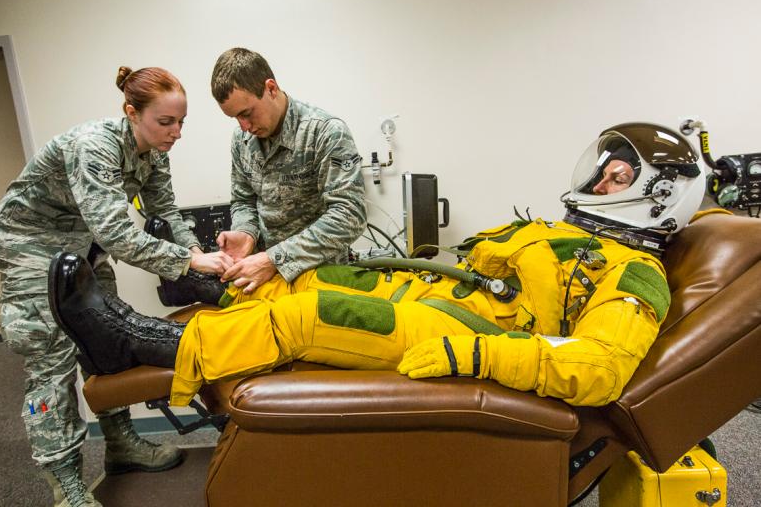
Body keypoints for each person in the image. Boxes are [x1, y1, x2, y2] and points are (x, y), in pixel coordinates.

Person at [49, 122, 707, 415]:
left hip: (470, 331)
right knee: (296, 277)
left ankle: (136, 343)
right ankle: (221, 298)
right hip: (445, 294)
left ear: (654, 195)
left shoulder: (633, 275)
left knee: (316, 315)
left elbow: (596, 370)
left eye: (615, 175)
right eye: (603, 168)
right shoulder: (564, 233)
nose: (597, 180)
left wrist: (476, 355)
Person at [0, 66, 233, 507]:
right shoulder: (92, 146)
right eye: (165, 122)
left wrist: (201, 255)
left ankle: (120, 446)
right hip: (31, 244)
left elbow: (167, 213)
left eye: (181, 122)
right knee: (51, 358)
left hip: (84, 244)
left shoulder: (155, 151)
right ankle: (67, 486)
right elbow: (118, 233)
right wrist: (189, 261)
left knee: (109, 341)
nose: (176, 133)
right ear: (131, 112)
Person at [210, 47, 367, 293]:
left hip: (323, 280)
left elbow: (349, 215)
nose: (244, 126)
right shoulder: (242, 140)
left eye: (247, 113)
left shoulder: (325, 132)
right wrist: (245, 232)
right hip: (265, 280)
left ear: (271, 88)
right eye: (235, 119)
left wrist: (276, 259)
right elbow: (243, 200)